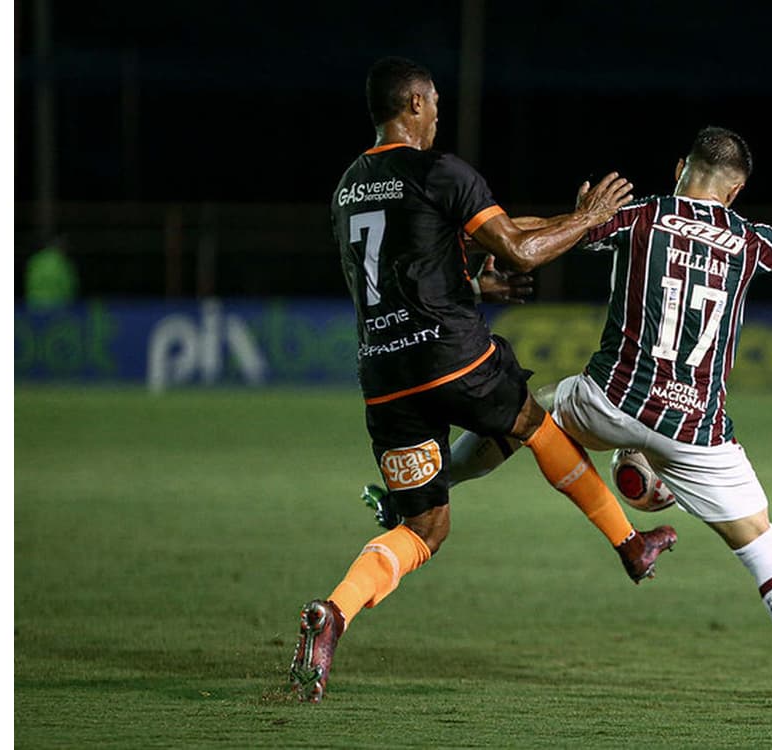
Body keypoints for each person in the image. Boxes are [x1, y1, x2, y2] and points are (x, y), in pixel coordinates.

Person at [365, 126, 772, 706]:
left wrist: (547, 222)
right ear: (736, 190)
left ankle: (427, 488)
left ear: (678, 169)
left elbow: (536, 233)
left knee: (523, 417)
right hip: (697, 429)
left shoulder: (640, 216)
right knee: (765, 550)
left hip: (612, 401)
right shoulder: (748, 240)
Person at [288, 56, 679, 703]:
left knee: (424, 530)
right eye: (434, 101)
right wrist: (587, 219)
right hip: (454, 357)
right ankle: (631, 543)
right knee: (536, 423)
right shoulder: (443, 172)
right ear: (413, 103)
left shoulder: (350, 185)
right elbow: (517, 246)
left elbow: (406, 266)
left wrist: (471, 283)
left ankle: (335, 612)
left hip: (386, 379)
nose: (438, 111)